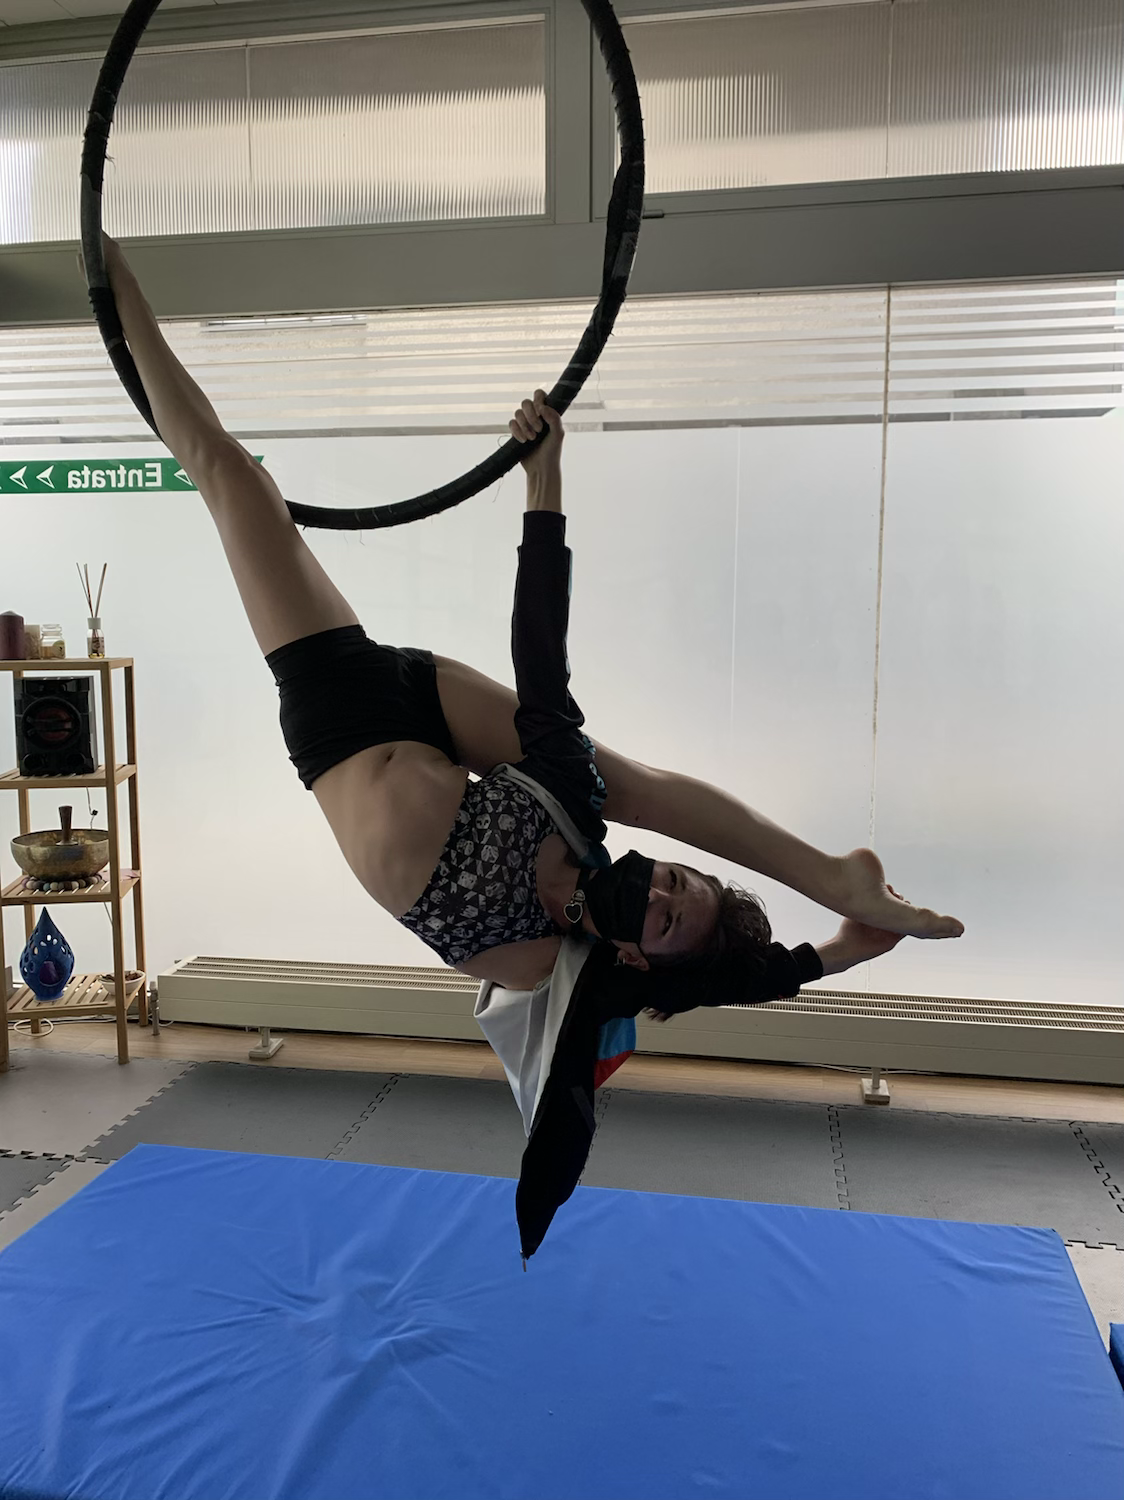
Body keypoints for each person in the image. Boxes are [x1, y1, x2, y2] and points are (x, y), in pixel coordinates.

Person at [93, 238, 963, 1016]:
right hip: (424, 696)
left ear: (639, 958)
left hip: (338, 724)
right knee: (626, 784)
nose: (656, 893)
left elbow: (711, 984)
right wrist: (544, 479)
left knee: (233, 478)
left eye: (663, 919)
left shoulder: (561, 965)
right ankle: (829, 872)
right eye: (674, 879)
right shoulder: (574, 811)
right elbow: (543, 659)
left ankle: (117, 286)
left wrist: (838, 955)